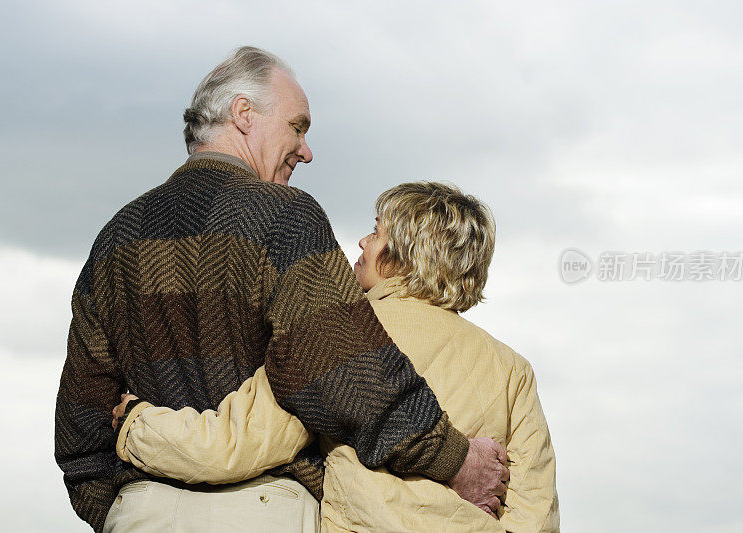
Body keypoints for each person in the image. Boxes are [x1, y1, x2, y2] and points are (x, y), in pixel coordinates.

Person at [55, 46, 508, 533]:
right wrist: (455, 460)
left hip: (138, 514)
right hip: (263, 511)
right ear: (244, 114)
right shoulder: (286, 215)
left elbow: (81, 426)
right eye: (298, 126)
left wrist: (124, 510)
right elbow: (345, 371)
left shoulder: (113, 238)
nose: (307, 150)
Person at [113, 182, 560, 532]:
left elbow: (235, 443)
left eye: (377, 231)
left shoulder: (339, 333)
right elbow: (535, 512)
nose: (363, 243)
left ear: (402, 256)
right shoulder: (512, 369)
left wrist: (138, 424)